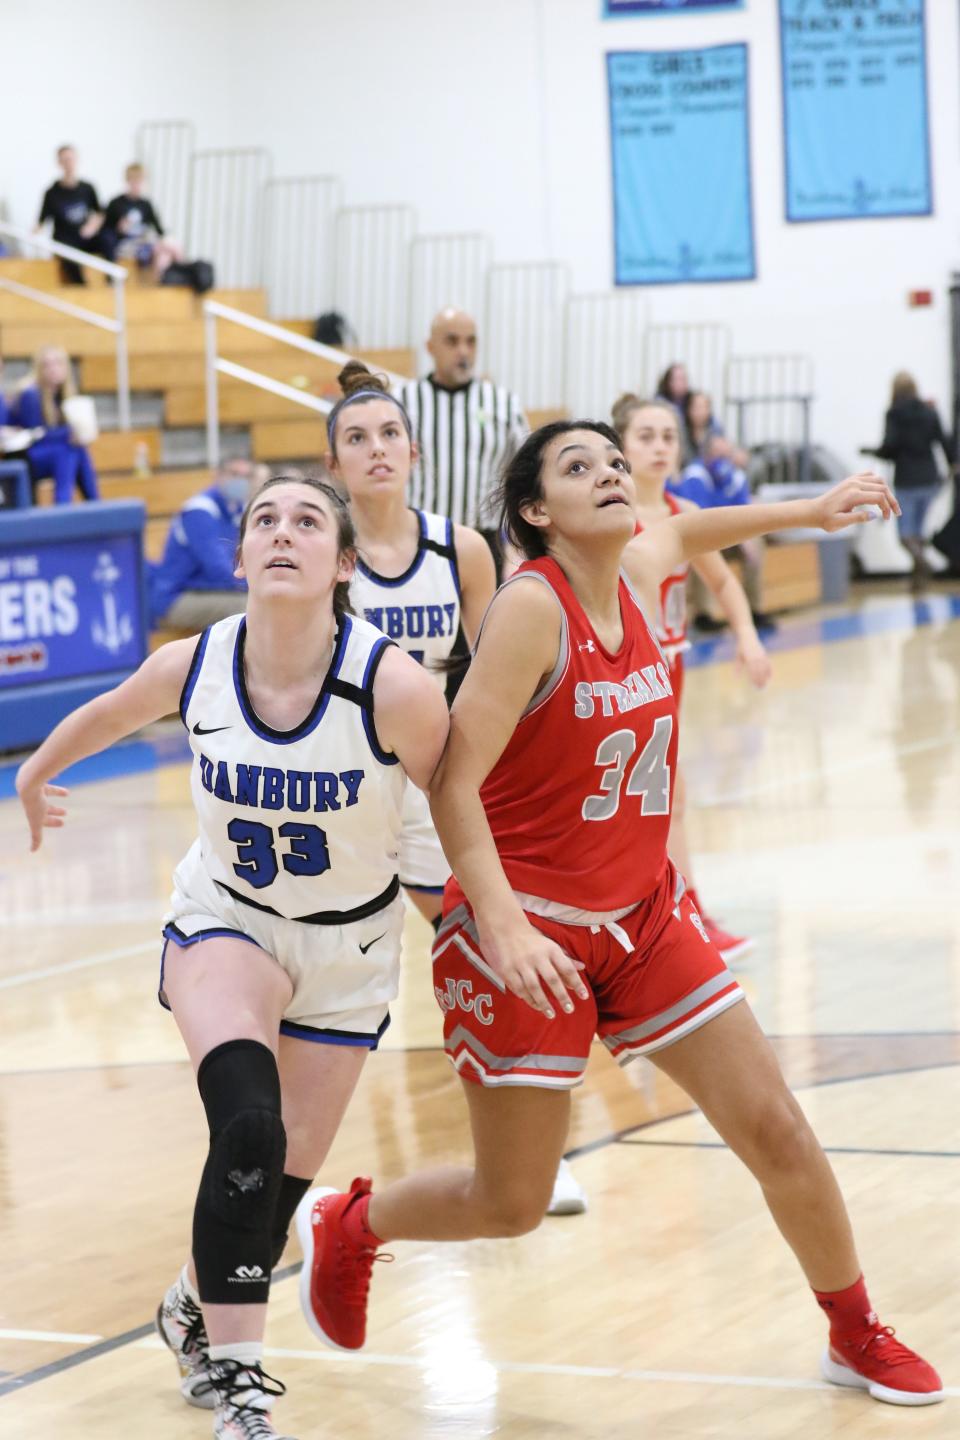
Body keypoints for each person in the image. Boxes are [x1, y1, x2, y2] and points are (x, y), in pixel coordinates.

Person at [296, 423, 942, 1409]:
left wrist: (812, 512)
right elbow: (454, 786)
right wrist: (502, 925)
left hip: (642, 919)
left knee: (777, 1128)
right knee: (511, 1204)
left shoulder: (640, 566)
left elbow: (701, 529)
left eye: (611, 460)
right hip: (526, 931)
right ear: (536, 514)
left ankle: (854, 1332)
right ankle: (356, 1220)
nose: (606, 473)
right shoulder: (529, 611)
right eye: (577, 467)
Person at [16, 473, 450, 1440]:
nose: (282, 534)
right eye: (265, 521)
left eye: (307, 523)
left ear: (343, 564)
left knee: (277, 1184)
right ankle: (244, 1388)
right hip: (229, 920)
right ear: (242, 555)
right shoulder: (196, 662)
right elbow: (110, 711)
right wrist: (39, 769)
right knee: (247, 1132)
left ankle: (188, 1304)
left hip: (352, 946)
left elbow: (463, 804)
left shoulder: (394, 685)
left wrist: (486, 920)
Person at [326, 360, 496, 925]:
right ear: (334, 463)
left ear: (413, 452)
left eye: (390, 434)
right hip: (338, 778)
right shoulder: (320, 555)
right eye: (357, 438)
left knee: (471, 936)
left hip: (429, 773)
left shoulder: (461, 549)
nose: (377, 449)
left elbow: (498, 678)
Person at [614, 393, 771, 961]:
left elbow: (726, 583)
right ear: (621, 447)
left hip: (670, 671)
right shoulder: (612, 517)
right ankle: (671, 917)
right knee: (645, 804)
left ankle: (683, 915)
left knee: (671, 800)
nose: (659, 447)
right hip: (621, 679)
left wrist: (747, 639)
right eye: (646, 436)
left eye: (668, 437)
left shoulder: (682, 513)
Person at [394, 308, 529, 557]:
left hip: (485, 540)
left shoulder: (504, 403)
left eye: (471, 341)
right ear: (431, 347)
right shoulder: (402, 400)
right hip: (419, 539)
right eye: (452, 341)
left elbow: (526, 470)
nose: (463, 351)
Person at [673, 390, 773, 632]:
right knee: (702, 545)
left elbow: (746, 510)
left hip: (730, 536)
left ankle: (755, 610)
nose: (722, 462)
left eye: (726, 456)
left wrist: (748, 536)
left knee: (755, 543)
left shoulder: (735, 476)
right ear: (706, 456)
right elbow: (698, 520)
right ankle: (703, 615)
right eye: (717, 456)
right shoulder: (695, 476)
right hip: (707, 536)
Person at [862, 372, 955, 591]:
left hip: (907, 479)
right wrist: (952, 463)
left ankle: (923, 562)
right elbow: (943, 440)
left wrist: (872, 452)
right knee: (918, 531)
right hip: (930, 478)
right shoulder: (929, 411)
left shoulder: (894, 414)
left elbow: (889, 446)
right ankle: (918, 580)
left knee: (905, 534)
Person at [149, 459, 256, 629]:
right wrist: (253, 586)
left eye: (246, 476)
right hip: (177, 597)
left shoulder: (239, 509)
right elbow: (218, 569)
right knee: (251, 607)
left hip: (211, 592)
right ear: (218, 475)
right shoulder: (199, 510)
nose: (240, 481)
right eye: (234, 474)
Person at [11, 346, 99, 503]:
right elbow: (34, 435)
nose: (53, 369)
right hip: (29, 457)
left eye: (58, 364)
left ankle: (96, 505)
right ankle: (65, 507)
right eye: (47, 365)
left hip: (53, 452)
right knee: (68, 450)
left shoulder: (64, 395)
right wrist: (70, 433)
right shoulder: (30, 394)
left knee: (78, 449)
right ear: (39, 369)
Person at [100, 162, 185, 279]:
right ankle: (182, 272)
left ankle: (167, 284)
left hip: (144, 242)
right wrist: (120, 229)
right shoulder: (116, 203)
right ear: (128, 181)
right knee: (166, 249)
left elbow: (159, 228)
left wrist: (165, 239)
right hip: (125, 245)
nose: (137, 185)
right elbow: (106, 230)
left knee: (165, 255)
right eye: (134, 181)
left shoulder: (146, 204)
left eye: (140, 181)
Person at [35, 145, 103, 285]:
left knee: (107, 238)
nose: (69, 163)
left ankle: (112, 281)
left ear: (77, 160)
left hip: (84, 238)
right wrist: (32, 237)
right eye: (64, 160)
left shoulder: (87, 188)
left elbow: (99, 213)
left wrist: (92, 226)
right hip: (64, 240)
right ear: (59, 163)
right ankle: (81, 287)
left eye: (71, 159)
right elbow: (41, 221)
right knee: (69, 252)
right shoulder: (52, 192)